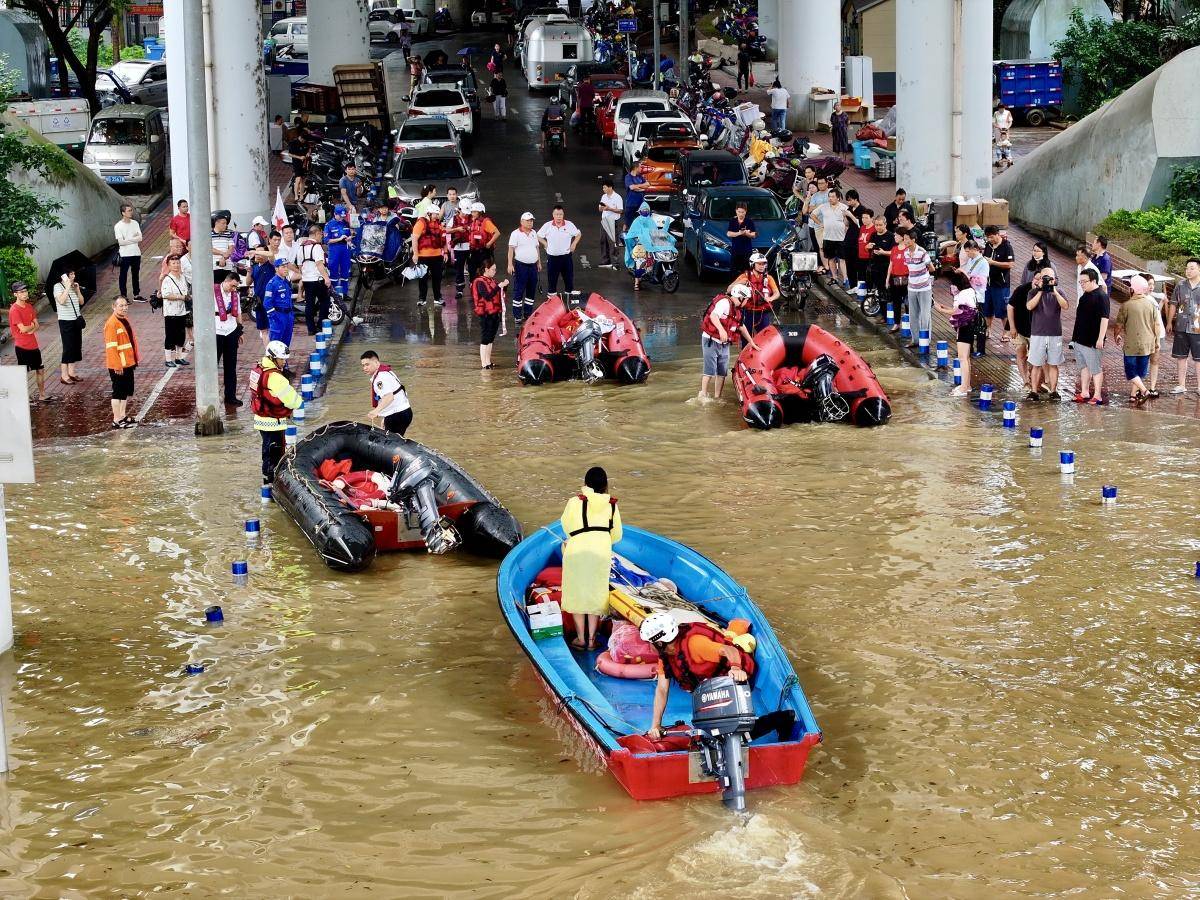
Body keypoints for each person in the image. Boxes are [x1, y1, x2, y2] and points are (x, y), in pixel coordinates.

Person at [641, 611, 755, 741]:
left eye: (649, 642)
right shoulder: (665, 657)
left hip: (732, 677)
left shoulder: (695, 644)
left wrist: (736, 668)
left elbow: (730, 650)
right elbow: (662, 689)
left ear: (660, 643)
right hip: (709, 686)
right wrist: (656, 725)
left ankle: (738, 627)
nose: (649, 646)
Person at [559, 467, 623, 651]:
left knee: (577, 593)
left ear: (586, 483)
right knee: (596, 593)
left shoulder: (574, 502)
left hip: (576, 551)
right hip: (601, 552)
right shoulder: (612, 505)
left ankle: (580, 638)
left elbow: (566, 526)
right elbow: (616, 534)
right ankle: (592, 640)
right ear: (605, 485)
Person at [251, 341, 301, 483]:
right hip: (274, 420)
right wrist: (300, 403)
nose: (284, 362)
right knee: (275, 452)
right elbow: (292, 399)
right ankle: (272, 481)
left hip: (261, 418)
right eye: (281, 359)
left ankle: (267, 478)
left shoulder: (259, 369)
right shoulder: (275, 377)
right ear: (273, 358)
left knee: (267, 449)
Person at [698, 283, 757, 401]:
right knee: (709, 371)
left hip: (724, 343)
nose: (747, 302)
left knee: (722, 371)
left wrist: (752, 342)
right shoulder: (724, 303)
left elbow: (741, 327)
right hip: (711, 340)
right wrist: (721, 330)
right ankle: (703, 394)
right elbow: (714, 316)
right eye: (746, 300)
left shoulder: (738, 310)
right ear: (741, 297)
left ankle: (717, 397)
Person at [1112, 274, 1160, 404]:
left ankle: (1144, 391)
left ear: (1132, 289)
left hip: (1131, 345)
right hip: (1147, 345)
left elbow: (1118, 325)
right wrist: (1157, 342)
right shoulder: (1151, 305)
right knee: (1140, 372)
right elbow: (1157, 324)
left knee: (1131, 372)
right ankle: (1133, 395)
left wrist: (1116, 335)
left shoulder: (1126, 305)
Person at [1025, 266, 1068, 401]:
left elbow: (1065, 306)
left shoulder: (1059, 291)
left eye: (1050, 278)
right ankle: (1033, 391)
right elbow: (1029, 306)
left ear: (1055, 279)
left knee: (1053, 363)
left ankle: (1054, 391)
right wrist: (1040, 290)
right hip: (1038, 333)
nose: (1048, 280)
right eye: (1045, 278)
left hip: (1055, 333)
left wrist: (1054, 291)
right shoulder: (1033, 292)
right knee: (1036, 364)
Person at [934, 270, 979, 398]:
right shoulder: (970, 291)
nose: (951, 287)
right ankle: (967, 385)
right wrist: (945, 308)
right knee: (966, 358)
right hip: (969, 325)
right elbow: (962, 309)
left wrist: (940, 310)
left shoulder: (962, 295)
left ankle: (964, 387)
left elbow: (957, 311)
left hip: (964, 327)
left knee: (962, 358)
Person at [1071, 268, 1110, 405]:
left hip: (1092, 340)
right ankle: (1084, 391)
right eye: (1080, 282)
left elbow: (1105, 319)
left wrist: (1100, 338)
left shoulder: (1101, 296)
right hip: (1080, 338)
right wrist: (1074, 338)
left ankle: (1098, 394)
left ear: (1093, 281)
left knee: (1095, 368)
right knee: (1083, 367)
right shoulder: (1084, 296)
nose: (1082, 284)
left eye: (1084, 282)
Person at [104, 295, 140, 429]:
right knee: (118, 391)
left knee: (125, 391)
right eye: (121, 306)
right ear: (114, 307)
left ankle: (122, 416)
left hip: (128, 362)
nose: (125, 308)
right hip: (119, 365)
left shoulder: (124, 320)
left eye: (126, 305)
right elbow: (111, 347)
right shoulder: (112, 323)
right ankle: (116, 419)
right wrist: (116, 365)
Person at [7, 281, 46, 401]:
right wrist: (31, 326)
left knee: (40, 370)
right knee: (24, 374)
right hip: (22, 347)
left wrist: (30, 327)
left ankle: (42, 395)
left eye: (25, 291)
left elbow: (37, 325)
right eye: (21, 292)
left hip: (33, 345)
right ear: (15, 294)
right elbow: (23, 329)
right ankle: (24, 397)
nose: (25, 293)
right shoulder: (14, 310)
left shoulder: (29, 307)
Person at [1167, 257, 1200, 394]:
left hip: (1198, 328)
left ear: (1199, 269)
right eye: (1187, 268)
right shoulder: (1180, 285)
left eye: (1192, 268)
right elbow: (1173, 304)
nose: (1188, 271)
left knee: (1199, 359)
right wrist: (1169, 322)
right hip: (1181, 326)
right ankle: (1181, 385)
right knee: (1181, 357)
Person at [812, 189, 857, 286]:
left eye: (832, 197)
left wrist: (846, 219)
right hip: (828, 237)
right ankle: (834, 277)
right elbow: (812, 215)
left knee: (842, 259)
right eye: (829, 196)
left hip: (841, 238)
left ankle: (845, 278)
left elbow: (849, 222)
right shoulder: (823, 207)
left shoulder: (844, 207)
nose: (830, 198)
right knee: (831, 258)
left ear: (838, 198)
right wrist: (820, 223)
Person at [361, 350, 412, 434]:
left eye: (367, 364)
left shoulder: (380, 379)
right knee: (395, 439)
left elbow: (389, 397)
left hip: (397, 415)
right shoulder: (385, 372)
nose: (365, 368)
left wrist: (376, 411)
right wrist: (385, 417)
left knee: (391, 442)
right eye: (363, 365)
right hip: (404, 412)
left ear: (377, 363)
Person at [981, 225, 1015, 353]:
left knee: (1002, 310)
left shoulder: (1007, 247)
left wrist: (993, 262)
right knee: (987, 308)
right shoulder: (988, 246)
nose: (990, 239)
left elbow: (1010, 264)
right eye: (988, 237)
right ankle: (987, 329)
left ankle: (1006, 332)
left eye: (991, 237)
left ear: (997, 234)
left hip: (1001, 284)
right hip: (988, 283)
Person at [899, 227, 934, 350]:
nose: (905, 241)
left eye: (907, 239)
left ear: (913, 240)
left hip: (924, 288)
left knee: (925, 314)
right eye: (904, 239)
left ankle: (926, 340)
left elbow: (932, 268)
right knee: (913, 314)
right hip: (912, 287)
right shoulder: (905, 252)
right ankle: (915, 340)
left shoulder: (922, 252)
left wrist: (924, 277)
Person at [214, 272, 243, 407]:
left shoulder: (235, 295)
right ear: (227, 281)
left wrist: (240, 331)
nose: (233, 289)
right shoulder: (212, 292)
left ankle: (230, 396)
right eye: (232, 286)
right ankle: (211, 394)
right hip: (216, 331)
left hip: (231, 330)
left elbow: (239, 314)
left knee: (231, 366)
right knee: (213, 365)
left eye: (235, 287)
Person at [472, 257, 507, 369]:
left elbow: (498, 292)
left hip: (494, 313)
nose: (495, 271)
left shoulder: (492, 281)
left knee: (491, 338)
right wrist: (498, 287)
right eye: (493, 269)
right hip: (485, 314)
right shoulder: (479, 282)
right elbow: (487, 296)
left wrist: (504, 287)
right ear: (486, 269)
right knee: (485, 338)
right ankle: (484, 363)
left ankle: (488, 361)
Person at [537, 205, 582, 293]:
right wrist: (545, 243)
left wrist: (574, 243)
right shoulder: (548, 225)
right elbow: (538, 236)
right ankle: (552, 299)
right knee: (552, 280)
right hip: (552, 258)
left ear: (563, 215)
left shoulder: (569, 224)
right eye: (557, 214)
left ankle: (568, 299)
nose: (559, 217)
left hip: (566, 258)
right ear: (553, 215)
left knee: (569, 279)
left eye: (560, 214)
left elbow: (578, 234)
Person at [507, 211, 541, 325]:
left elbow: (537, 248)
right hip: (521, 266)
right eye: (528, 221)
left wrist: (539, 262)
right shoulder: (515, 234)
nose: (530, 223)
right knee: (519, 290)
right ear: (522, 222)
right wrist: (510, 264)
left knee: (531, 290)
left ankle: (528, 314)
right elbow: (511, 250)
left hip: (533, 266)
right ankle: (517, 315)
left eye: (531, 221)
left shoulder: (533, 233)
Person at [411, 204, 449, 307]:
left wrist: (445, 252)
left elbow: (443, 239)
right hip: (423, 257)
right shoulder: (421, 223)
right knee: (422, 278)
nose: (436, 216)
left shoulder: (439, 224)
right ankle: (422, 299)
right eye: (434, 214)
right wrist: (415, 254)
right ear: (428, 213)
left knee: (437, 278)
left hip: (437, 256)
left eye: (437, 214)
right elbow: (414, 239)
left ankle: (438, 298)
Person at [734, 252, 780, 335]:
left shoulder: (769, 278)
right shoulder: (744, 276)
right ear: (752, 264)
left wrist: (770, 298)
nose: (762, 266)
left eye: (764, 264)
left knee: (765, 336)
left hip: (763, 313)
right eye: (759, 264)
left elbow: (777, 293)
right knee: (746, 338)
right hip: (747, 312)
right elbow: (729, 289)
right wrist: (739, 283)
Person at [52, 268, 85, 385]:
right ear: (64, 276)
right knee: (68, 347)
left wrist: (77, 290)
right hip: (65, 321)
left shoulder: (73, 286)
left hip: (76, 320)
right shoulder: (57, 286)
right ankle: (64, 375)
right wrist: (66, 287)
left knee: (76, 346)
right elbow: (61, 301)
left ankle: (72, 372)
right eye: (71, 274)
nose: (73, 276)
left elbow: (81, 302)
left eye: (74, 273)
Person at [299, 224, 332, 335]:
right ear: (317, 233)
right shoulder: (317, 247)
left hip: (306, 280)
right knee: (325, 302)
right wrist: (326, 278)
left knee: (310, 304)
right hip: (318, 280)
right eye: (321, 235)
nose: (321, 237)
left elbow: (300, 266)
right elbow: (319, 264)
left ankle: (311, 329)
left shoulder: (301, 247)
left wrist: (304, 275)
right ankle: (321, 325)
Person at [251, 231, 281, 348]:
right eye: (256, 254)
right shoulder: (254, 267)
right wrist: (249, 272)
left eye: (260, 253)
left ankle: (276, 350)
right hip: (259, 302)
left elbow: (271, 254)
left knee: (274, 328)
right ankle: (268, 353)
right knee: (263, 330)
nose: (257, 256)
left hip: (271, 302)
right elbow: (249, 282)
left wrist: (255, 251)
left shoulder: (271, 265)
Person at [160, 254, 190, 368]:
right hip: (171, 312)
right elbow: (166, 294)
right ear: (168, 265)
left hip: (181, 311)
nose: (176, 265)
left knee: (181, 335)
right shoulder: (167, 279)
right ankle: (168, 359)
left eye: (177, 263)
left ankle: (178, 357)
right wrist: (182, 297)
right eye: (173, 263)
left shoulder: (182, 277)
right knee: (170, 336)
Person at [1007, 281, 1035, 392]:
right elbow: (1010, 307)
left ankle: (1033, 378)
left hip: (1035, 331)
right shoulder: (1022, 289)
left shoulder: (1045, 292)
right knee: (1021, 353)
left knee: (1035, 358)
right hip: (1019, 328)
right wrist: (1012, 327)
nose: (1037, 282)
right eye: (1036, 279)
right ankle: (1026, 381)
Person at [263, 257, 295, 348]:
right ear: (276, 269)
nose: (286, 269)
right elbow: (267, 303)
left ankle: (283, 362)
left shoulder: (286, 282)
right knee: (276, 344)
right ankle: (274, 362)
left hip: (288, 315)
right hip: (279, 315)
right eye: (283, 267)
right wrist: (274, 317)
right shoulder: (272, 283)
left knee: (286, 343)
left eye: (286, 266)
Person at [444, 191, 472, 298]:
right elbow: (447, 230)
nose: (465, 214)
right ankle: (459, 290)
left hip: (470, 247)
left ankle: (474, 288)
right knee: (459, 269)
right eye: (464, 211)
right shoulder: (454, 219)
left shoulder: (472, 219)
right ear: (459, 209)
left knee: (473, 269)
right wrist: (457, 229)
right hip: (458, 248)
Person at [114, 203, 144, 301]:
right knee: (123, 275)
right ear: (123, 213)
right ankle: (124, 296)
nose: (131, 212)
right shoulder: (118, 226)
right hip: (125, 254)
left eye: (131, 210)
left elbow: (140, 238)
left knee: (135, 274)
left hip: (136, 253)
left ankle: (136, 294)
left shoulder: (135, 223)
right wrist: (133, 238)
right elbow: (121, 242)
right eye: (129, 211)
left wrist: (128, 239)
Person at [323, 205, 353, 301]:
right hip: (334, 250)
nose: (342, 217)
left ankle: (344, 293)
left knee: (345, 271)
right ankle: (334, 294)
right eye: (340, 215)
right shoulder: (329, 225)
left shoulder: (345, 223)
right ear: (335, 214)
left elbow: (350, 235)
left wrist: (350, 238)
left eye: (343, 215)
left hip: (345, 249)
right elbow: (326, 240)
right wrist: (339, 239)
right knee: (333, 272)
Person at [467, 202, 500, 282]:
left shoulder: (486, 222)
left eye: (475, 212)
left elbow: (497, 233)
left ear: (480, 212)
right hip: (474, 251)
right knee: (472, 272)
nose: (473, 214)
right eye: (472, 212)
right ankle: (474, 288)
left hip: (484, 251)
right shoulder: (473, 222)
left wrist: (489, 243)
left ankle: (484, 289)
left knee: (484, 272)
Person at [598, 179, 624, 269]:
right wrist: (602, 208)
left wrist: (609, 209)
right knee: (603, 241)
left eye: (604, 187)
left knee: (613, 242)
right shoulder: (604, 197)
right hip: (604, 221)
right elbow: (600, 208)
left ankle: (616, 263)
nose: (603, 189)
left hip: (613, 222)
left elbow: (620, 210)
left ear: (610, 187)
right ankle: (606, 261)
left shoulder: (617, 197)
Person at [726, 202, 757, 277]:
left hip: (746, 251)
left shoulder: (749, 221)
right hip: (735, 250)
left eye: (742, 212)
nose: (740, 214)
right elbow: (729, 233)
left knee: (746, 272)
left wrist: (747, 234)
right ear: (736, 211)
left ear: (746, 211)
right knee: (733, 272)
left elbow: (754, 235)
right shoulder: (733, 221)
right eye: (739, 212)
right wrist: (739, 233)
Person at [288, 121, 310, 202]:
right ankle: (296, 196)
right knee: (297, 179)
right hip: (297, 162)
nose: (304, 142)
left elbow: (309, 148)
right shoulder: (293, 143)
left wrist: (308, 153)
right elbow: (290, 154)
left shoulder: (306, 142)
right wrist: (299, 157)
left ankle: (301, 196)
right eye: (303, 140)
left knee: (303, 180)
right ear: (300, 137)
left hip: (304, 163)